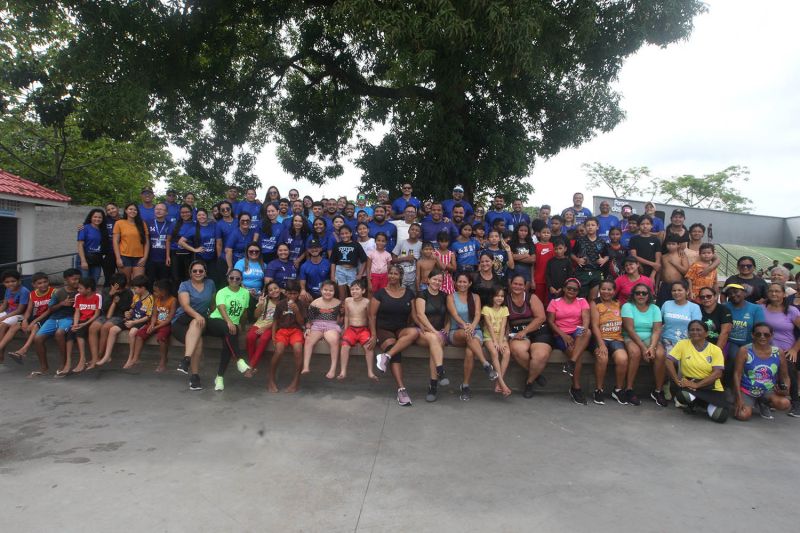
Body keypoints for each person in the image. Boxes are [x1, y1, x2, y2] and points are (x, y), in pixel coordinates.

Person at [369, 265, 420, 405]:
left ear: (400, 276)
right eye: (390, 273)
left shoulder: (409, 293)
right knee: (394, 349)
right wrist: (374, 335)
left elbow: (414, 316)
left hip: (401, 328)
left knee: (415, 332)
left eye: (395, 274)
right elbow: (372, 316)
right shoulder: (380, 293)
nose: (392, 276)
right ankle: (401, 390)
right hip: (383, 329)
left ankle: (386, 356)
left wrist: (424, 327)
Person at [448, 272, 499, 400]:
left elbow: (477, 314)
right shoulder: (451, 297)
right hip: (457, 331)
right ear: (455, 282)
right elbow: (454, 315)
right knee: (467, 334)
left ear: (470, 283)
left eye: (465, 282)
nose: (462, 284)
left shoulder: (475, 297)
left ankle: (465, 386)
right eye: (459, 281)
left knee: (470, 353)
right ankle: (486, 364)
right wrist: (465, 325)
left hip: (475, 330)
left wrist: (472, 325)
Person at [666, 320, 729, 423]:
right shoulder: (682, 344)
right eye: (692, 330)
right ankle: (694, 403)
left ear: (707, 333)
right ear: (688, 332)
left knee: (721, 417)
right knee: (683, 396)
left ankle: (702, 404)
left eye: (699, 330)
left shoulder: (715, 349)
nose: (695, 332)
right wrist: (677, 380)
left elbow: (718, 373)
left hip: (711, 386)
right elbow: (668, 361)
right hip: (691, 384)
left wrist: (698, 385)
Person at [505, 275, 552, 398]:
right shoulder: (505, 299)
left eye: (520, 284)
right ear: (511, 284)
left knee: (540, 355)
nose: (517, 286)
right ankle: (536, 374)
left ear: (525, 286)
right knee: (517, 350)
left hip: (539, 331)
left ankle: (529, 382)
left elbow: (541, 317)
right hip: (517, 333)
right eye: (515, 283)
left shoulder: (532, 297)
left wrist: (525, 331)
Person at [546, 278, 592, 405]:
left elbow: (586, 318)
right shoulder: (554, 302)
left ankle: (570, 363)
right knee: (575, 354)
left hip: (577, 332)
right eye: (569, 288)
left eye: (575, 289)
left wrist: (583, 329)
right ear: (564, 289)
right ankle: (576, 388)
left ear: (578, 291)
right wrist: (564, 336)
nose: (572, 291)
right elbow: (550, 322)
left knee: (587, 332)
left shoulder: (582, 301)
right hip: (561, 333)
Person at [172, 260, 216, 391]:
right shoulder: (184, 285)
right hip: (182, 321)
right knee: (198, 339)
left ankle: (188, 365)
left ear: (205, 272)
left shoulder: (210, 284)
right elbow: (185, 306)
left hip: (200, 321)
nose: (198, 273)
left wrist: (211, 315)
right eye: (195, 271)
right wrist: (197, 315)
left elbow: (213, 304)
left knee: (198, 333)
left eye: (201, 271)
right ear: (190, 273)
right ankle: (193, 374)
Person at [733, 323, 792, 420]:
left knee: (785, 404)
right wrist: (738, 398)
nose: (762, 337)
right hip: (747, 390)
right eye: (758, 334)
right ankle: (750, 402)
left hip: (768, 390)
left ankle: (763, 403)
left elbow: (785, 376)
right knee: (742, 415)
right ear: (752, 335)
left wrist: (786, 389)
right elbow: (737, 375)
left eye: (766, 334)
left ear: (772, 335)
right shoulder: (744, 350)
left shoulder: (778, 352)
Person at [204, 269, 250, 391]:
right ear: (227, 279)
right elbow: (221, 308)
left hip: (232, 327)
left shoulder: (245, 293)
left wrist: (241, 325)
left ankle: (219, 377)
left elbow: (244, 312)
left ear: (241, 280)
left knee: (227, 346)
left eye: (237, 278)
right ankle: (240, 360)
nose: (234, 280)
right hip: (216, 321)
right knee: (228, 328)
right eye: (232, 278)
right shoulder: (222, 292)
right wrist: (229, 322)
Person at [31, 268, 81, 377]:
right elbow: (50, 308)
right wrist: (62, 304)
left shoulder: (81, 291)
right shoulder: (59, 292)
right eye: (74, 279)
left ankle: (63, 364)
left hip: (69, 318)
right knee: (38, 338)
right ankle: (44, 367)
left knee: (59, 333)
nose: (77, 281)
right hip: (54, 318)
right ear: (66, 280)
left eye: (78, 279)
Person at [620, 283, 664, 406]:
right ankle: (629, 389)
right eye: (637, 293)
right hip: (632, 336)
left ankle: (658, 391)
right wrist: (645, 349)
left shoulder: (655, 308)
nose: (641, 295)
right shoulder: (627, 306)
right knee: (635, 353)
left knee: (660, 354)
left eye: (644, 293)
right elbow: (630, 330)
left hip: (650, 337)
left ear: (649, 295)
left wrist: (652, 347)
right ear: (633, 295)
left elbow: (656, 330)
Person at [760, 283, 800, 416]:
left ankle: (796, 403)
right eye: (771, 291)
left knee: (789, 368)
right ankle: (763, 401)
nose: (774, 294)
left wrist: (794, 349)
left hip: (785, 350)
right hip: (764, 349)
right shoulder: (761, 308)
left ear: (784, 294)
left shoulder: (791, 311)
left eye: (777, 291)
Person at [98, 275, 153, 367]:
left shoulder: (150, 299)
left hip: (141, 321)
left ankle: (130, 357)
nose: (133, 290)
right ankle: (106, 356)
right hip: (132, 319)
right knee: (113, 330)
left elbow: (148, 317)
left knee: (132, 333)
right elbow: (132, 309)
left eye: (135, 288)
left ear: (142, 288)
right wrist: (129, 313)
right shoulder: (136, 296)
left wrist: (133, 322)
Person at [591, 279, 630, 405]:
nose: (606, 292)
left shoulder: (618, 303)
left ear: (614, 291)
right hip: (600, 338)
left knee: (622, 359)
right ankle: (598, 390)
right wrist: (601, 344)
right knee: (603, 358)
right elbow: (595, 325)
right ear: (599, 290)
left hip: (616, 338)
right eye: (603, 289)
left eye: (609, 289)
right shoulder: (595, 303)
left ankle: (618, 390)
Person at [413, 270, 451, 402]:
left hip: (439, 333)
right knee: (435, 338)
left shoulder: (445, 295)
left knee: (435, 345)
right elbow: (420, 315)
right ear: (428, 280)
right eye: (434, 279)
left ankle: (433, 385)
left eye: (440, 280)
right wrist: (434, 331)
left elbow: (448, 314)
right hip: (422, 331)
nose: (437, 282)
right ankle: (440, 372)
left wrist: (447, 326)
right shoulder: (422, 294)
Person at [5, 272, 53, 365]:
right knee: (16, 325)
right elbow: (28, 310)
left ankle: (23, 350)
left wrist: (33, 322)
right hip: (36, 317)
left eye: (45, 282)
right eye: (39, 283)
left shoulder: (53, 292)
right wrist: (25, 320)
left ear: (48, 282)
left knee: (34, 326)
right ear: (34, 285)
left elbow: (49, 311)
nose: (43, 284)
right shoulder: (32, 294)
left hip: (48, 317)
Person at [129, 279, 176, 373]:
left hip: (165, 324)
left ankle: (163, 360)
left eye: (156, 291)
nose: (154, 293)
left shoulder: (173, 300)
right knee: (139, 335)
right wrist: (152, 324)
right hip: (155, 323)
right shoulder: (156, 299)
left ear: (164, 291)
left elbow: (169, 319)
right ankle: (136, 358)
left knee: (161, 338)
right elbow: (154, 314)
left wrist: (156, 327)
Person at [723, 283, 765, 386]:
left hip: (750, 342)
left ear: (744, 293)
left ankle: (751, 385)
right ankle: (729, 385)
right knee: (734, 356)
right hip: (731, 342)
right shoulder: (724, 307)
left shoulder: (756, 308)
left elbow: (759, 328)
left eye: (736, 292)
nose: (733, 295)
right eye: (730, 293)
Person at [300, 279, 342, 379]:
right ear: (321, 290)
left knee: (334, 340)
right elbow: (310, 319)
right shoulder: (315, 303)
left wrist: (341, 326)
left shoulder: (339, 303)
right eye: (325, 290)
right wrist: (308, 328)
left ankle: (333, 368)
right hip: (317, 325)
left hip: (331, 325)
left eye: (331, 291)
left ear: (334, 292)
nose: (328, 292)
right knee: (309, 340)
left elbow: (340, 318)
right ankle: (306, 366)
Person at [339, 279, 377, 381]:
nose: (354, 291)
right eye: (352, 289)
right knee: (344, 346)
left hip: (363, 330)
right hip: (351, 329)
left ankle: (370, 371)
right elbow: (346, 316)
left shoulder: (367, 302)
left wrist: (372, 333)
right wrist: (345, 329)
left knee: (368, 347)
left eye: (357, 289)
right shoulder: (347, 300)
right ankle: (343, 371)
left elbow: (370, 317)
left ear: (363, 291)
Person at [63, 277, 102, 375]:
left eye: (80, 288)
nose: (78, 290)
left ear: (88, 289)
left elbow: (97, 314)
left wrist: (84, 324)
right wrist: (75, 323)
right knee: (70, 332)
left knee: (79, 332)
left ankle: (82, 359)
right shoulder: (78, 296)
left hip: (91, 320)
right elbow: (77, 312)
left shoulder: (97, 296)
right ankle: (68, 362)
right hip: (81, 320)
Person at [243, 281, 283, 378]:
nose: (274, 291)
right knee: (250, 337)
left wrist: (266, 327)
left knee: (263, 339)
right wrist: (260, 304)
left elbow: (280, 320)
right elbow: (256, 316)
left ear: (280, 289)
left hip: (272, 327)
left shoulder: (283, 302)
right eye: (270, 290)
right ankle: (253, 365)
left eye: (275, 288)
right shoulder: (265, 301)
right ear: (268, 293)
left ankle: (251, 366)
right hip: (259, 324)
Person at [482, 286, 513, 396]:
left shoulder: (504, 309)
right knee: (494, 352)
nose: (499, 298)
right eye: (497, 296)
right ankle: (502, 384)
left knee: (507, 353)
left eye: (502, 296)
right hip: (489, 337)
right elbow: (489, 326)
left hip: (501, 336)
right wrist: (495, 342)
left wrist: (500, 342)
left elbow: (504, 327)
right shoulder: (486, 308)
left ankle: (499, 382)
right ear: (492, 297)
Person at [660, 280, 702, 355]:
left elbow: (696, 327)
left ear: (687, 291)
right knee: (667, 358)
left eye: (680, 290)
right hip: (666, 341)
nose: (676, 293)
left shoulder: (694, 307)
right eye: (674, 290)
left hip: (687, 342)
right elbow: (659, 322)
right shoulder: (666, 304)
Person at [570, 217, 608, 300]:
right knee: (580, 298)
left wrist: (603, 260)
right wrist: (577, 259)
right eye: (588, 225)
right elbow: (572, 254)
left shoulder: (602, 241)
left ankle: (591, 313)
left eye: (593, 225)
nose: (590, 227)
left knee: (593, 299)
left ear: (597, 227)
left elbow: (607, 255)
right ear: (585, 227)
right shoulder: (580, 240)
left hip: (596, 272)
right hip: (582, 273)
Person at [112, 203, 149, 282]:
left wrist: (145, 257)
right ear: (126, 211)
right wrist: (118, 258)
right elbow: (115, 241)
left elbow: (147, 242)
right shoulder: (119, 223)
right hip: (124, 257)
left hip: (139, 258)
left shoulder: (142, 224)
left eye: (135, 210)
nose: (133, 211)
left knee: (139, 283)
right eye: (130, 209)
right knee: (125, 283)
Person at [330, 225, 367, 300]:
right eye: (342, 234)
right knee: (342, 294)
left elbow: (364, 260)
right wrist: (332, 275)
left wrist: (360, 274)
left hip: (352, 270)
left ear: (351, 233)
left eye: (346, 233)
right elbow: (333, 262)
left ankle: (352, 310)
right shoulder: (337, 245)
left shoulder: (356, 245)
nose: (344, 235)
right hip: (340, 270)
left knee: (354, 293)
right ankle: (343, 309)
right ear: (340, 235)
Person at [0, 270, 31, 360]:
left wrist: (3, 317)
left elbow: (20, 310)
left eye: (13, 281)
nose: (10, 284)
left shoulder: (24, 291)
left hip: (21, 316)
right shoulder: (8, 290)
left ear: (19, 281)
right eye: (7, 282)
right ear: (4, 283)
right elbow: (4, 305)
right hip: (9, 313)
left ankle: (1, 353)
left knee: (2, 325)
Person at [77, 208, 109, 283]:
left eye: (100, 217)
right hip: (85, 258)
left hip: (97, 259)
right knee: (84, 283)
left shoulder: (103, 230)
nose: (97, 219)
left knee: (94, 282)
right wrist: (83, 261)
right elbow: (80, 245)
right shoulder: (84, 228)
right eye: (95, 217)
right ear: (90, 217)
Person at [168, 204, 197, 283]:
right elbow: (168, 240)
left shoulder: (195, 224)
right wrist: (167, 256)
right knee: (175, 278)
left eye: (187, 212)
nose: (185, 214)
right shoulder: (174, 224)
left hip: (189, 254)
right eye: (182, 212)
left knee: (189, 277)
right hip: (175, 254)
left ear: (191, 213)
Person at [145, 203, 173, 284]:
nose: (158, 211)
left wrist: (168, 257)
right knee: (150, 282)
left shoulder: (170, 224)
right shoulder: (148, 223)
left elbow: (169, 240)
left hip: (164, 259)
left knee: (163, 283)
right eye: (157, 209)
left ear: (166, 212)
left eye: (161, 209)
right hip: (150, 259)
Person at [657, 236, 689, 305]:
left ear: (678, 245)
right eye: (668, 244)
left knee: (677, 304)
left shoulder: (682, 255)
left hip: (678, 285)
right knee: (662, 304)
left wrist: (675, 263)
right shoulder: (663, 257)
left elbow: (686, 271)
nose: (670, 246)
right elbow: (660, 272)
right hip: (665, 285)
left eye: (673, 244)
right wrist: (657, 285)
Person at [698, 286, 732, 351]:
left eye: (709, 296)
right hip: (700, 344)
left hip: (719, 343)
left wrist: (716, 351)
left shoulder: (724, 310)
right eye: (702, 297)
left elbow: (725, 333)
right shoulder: (697, 308)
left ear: (715, 297)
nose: (705, 298)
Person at [299, 239, 332, 303]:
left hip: (326, 292)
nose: (314, 249)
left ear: (320, 249)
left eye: (316, 247)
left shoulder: (328, 263)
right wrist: (303, 290)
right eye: (311, 248)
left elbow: (332, 280)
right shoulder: (304, 266)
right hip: (311, 294)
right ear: (308, 250)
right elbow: (302, 283)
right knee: (302, 296)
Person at [628, 215, 660, 280]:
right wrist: (652, 264)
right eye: (642, 224)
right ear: (638, 226)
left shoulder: (656, 240)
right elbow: (634, 256)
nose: (645, 226)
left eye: (648, 224)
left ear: (652, 225)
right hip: (637, 271)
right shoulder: (634, 239)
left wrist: (653, 275)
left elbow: (658, 260)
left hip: (652, 272)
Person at [392, 222, 422, 290]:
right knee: (400, 295)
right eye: (412, 229)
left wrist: (415, 260)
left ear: (420, 234)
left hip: (414, 278)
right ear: (408, 231)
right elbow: (393, 260)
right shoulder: (401, 243)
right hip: (401, 277)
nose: (414, 231)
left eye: (417, 230)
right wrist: (405, 258)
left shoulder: (421, 245)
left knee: (412, 296)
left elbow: (422, 262)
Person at [509, 223, 536, 293]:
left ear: (528, 232)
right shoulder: (511, 243)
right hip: (512, 271)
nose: (523, 232)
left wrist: (515, 256)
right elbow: (510, 257)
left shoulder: (530, 243)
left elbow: (533, 259)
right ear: (517, 231)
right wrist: (526, 255)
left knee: (524, 294)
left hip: (527, 272)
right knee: (511, 293)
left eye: (525, 231)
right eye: (521, 230)